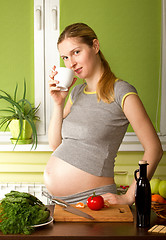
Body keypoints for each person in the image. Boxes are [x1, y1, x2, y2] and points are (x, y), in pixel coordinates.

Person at [44, 23, 163, 205]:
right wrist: (58, 103)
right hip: (60, 203)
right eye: (65, 57)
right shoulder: (75, 93)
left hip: (96, 202)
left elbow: (154, 148)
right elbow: (55, 144)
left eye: (76, 52)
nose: (71, 63)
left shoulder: (122, 92)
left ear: (95, 46)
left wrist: (129, 197)